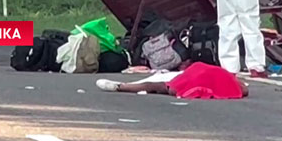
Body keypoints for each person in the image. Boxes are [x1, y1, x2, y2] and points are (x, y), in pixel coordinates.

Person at [95, 61, 249, 99]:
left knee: (157, 85)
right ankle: (120, 86)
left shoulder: (230, 78)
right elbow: (244, 90)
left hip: (194, 74)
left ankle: (121, 86)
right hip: (194, 76)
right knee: (157, 86)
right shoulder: (233, 85)